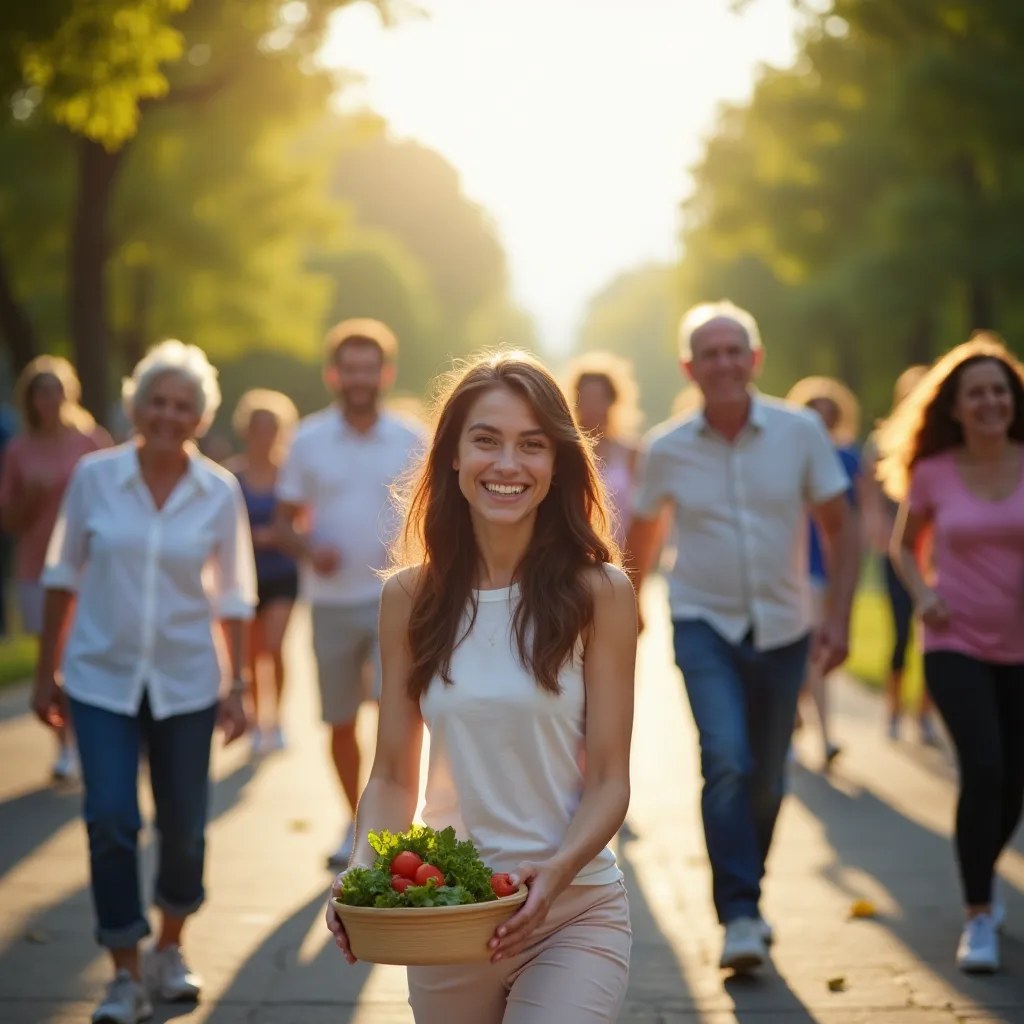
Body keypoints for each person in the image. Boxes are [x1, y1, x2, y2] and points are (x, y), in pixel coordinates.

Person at [325, 350, 636, 1022]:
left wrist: (553, 876)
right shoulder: (410, 597)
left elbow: (611, 779)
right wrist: (362, 873)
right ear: (453, 459)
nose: (507, 465)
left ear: (556, 467)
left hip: (572, 910)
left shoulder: (601, 593)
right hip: (450, 915)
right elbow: (390, 777)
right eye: (486, 440)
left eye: (531, 445)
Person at [625, 300, 860, 973]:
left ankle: (745, 892)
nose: (723, 363)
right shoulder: (666, 449)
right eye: (710, 353)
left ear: (754, 360)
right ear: (689, 366)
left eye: (735, 351)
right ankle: (740, 914)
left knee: (767, 778)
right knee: (725, 758)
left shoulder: (799, 434)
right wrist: (632, 606)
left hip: (785, 627)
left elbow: (842, 529)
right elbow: (641, 535)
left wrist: (838, 616)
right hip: (703, 621)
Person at [31, 340, 257, 1024]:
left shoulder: (218, 491)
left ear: (199, 417)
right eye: (157, 401)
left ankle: (170, 947)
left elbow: (237, 596)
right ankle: (124, 972)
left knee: (186, 829)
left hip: (189, 683)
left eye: (182, 405)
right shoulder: (95, 478)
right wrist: (47, 675)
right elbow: (61, 577)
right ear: (136, 406)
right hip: (100, 678)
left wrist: (241, 685)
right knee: (109, 818)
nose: (167, 414)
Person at [879, 333, 1024, 974]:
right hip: (954, 639)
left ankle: (981, 876)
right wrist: (923, 595)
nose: (991, 402)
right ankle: (979, 916)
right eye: (977, 394)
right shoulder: (933, 471)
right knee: (985, 767)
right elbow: (903, 546)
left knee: (1015, 779)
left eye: (1000, 390)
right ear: (956, 408)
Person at [275, 318, 425, 868]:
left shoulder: (414, 437)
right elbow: (285, 522)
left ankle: (394, 829)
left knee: (401, 718)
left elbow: (437, 514)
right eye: (350, 368)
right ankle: (356, 823)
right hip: (332, 602)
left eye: (370, 368)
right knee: (340, 719)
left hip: (402, 600)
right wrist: (309, 549)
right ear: (333, 374)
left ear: (385, 373)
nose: (360, 378)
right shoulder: (309, 439)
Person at [0, 355, 112, 779]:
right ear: (30, 399)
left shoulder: (91, 442)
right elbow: (7, 519)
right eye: (40, 391)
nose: (49, 398)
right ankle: (65, 744)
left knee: (81, 651)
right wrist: (31, 499)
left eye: (55, 389)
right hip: (38, 567)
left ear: (69, 393)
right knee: (53, 655)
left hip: (88, 567)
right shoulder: (18, 449)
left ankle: (89, 740)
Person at [785, 375, 863, 771]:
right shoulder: (788, 456)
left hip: (831, 564)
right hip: (798, 563)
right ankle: (803, 721)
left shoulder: (850, 459)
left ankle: (823, 734)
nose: (820, 423)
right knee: (805, 648)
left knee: (814, 652)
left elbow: (856, 517)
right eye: (813, 415)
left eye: (827, 417)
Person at [861, 365, 938, 744]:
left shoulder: (939, 442)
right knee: (900, 633)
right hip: (898, 551)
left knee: (935, 637)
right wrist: (878, 529)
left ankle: (923, 712)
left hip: (935, 556)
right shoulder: (881, 442)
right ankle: (893, 706)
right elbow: (871, 496)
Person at [228, 389, 300, 755]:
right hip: (246, 578)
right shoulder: (232, 476)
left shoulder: (291, 473)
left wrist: (278, 535)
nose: (265, 434)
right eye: (258, 426)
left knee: (274, 647)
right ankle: (257, 721)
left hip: (283, 574)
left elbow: (302, 524)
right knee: (253, 654)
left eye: (271, 427)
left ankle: (279, 718)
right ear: (247, 429)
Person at [565, 352, 642, 546]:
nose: (592, 407)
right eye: (585, 398)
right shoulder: (564, 452)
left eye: (598, 398)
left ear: (612, 401)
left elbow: (644, 515)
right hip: (575, 552)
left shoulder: (632, 453)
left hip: (623, 557)